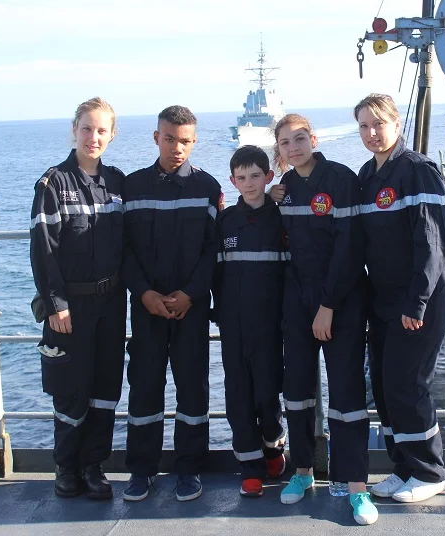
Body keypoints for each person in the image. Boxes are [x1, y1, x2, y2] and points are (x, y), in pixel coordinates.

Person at [269, 114, 378, 525]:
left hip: (342, 302)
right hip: (298, 304)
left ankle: (356, 488)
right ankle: (301, 473)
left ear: (313, 139)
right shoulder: (286, 190)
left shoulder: (340, 179)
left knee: (347, 395)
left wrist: (329, 304)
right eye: (285, 143)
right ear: (278, 150)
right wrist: (272, 194)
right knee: (296, 391)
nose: (294, 147)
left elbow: (349, 248)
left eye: (300, 139)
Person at [354, 93, 445, 503]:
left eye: (378, 123)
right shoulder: (367, 174)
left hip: (420, 297)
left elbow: (432, 243)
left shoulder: (418, 172)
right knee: (382, 383)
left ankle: (431, 471)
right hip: (383, 297)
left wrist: (416, 303)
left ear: (397, 123)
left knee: (407, 382)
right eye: (363, 125)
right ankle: (404, 466)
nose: (371, 133)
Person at [122, 105, 222, 503]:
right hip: (146, 309)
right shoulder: (131, 188)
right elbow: (123, 250)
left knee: (192, 390)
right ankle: (141, 470)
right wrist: (144, 293)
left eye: (184, 141)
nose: (176, 148)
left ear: (194, 141)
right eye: (169, 139)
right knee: (144, 387)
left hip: (191, 309)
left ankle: (189, 468)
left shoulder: (208, 188)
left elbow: (213, 251)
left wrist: (190, 294)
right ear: (156, 137)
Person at [30, 97, 126, 500]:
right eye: (87, 128)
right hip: (71, 307)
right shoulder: (53, 184)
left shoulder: (118, 182)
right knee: (71, 389)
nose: (93, 137)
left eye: (101, 130)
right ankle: (66, 467)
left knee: (105, 388)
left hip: (111, 304)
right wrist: (55, 303)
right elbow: (43, 248)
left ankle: (93, 466)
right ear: (74, 130)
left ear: (112, 135)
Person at [212, 145, 288, 498]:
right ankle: (250, 466)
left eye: (255, 176)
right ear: (232, 181)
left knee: (267, 393)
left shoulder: (282, 218)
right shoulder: (225, 222)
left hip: (272, 325)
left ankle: (274, 448)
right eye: (241, 178)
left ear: (269, 176)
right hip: (234, 325)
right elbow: (215, 274)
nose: (249, 183)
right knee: (238, 394)